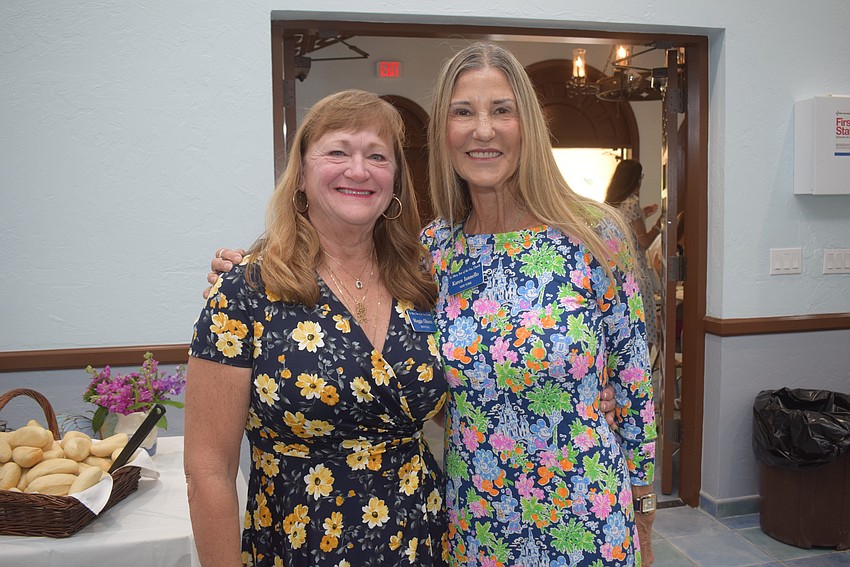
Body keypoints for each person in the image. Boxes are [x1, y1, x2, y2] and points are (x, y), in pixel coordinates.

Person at [208, 42, 653, 566]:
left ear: (528, 125)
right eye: (462, 112)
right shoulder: (434, 252)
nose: (481, 130)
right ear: (444, 131)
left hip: (587, 518)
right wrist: (246, 266)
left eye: (501, 111)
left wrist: (643, 510)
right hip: (472, 527)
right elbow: (414, 367)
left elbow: (634, 384)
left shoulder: (596, 234)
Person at [184, 90, 449, 566]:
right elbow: (209, 470)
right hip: (301, 545)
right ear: (301, 177)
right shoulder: (245, 291)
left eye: (377, 156)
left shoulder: (421, 281)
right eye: (338, 151)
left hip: (421, 541)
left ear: (395, 181)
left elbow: (450, 407)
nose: (359, 169)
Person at [605, 159, 662, 350]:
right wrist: (660, 224)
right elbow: (643, 242)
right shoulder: (632, 202)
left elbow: (626, 231)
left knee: (627, 328)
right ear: (635, 180)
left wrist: (642, 215)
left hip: (618, 272)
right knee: (643, 328)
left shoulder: (613, 204)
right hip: (635, 273)